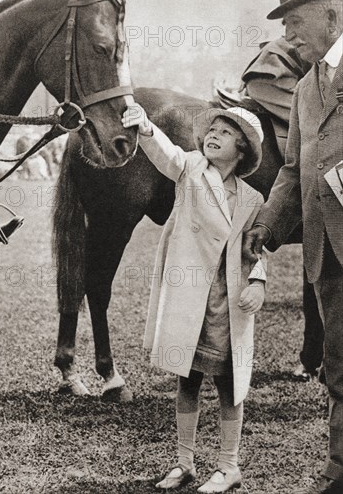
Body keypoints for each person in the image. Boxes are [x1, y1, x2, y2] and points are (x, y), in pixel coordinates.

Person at [123, 104, 267, 492]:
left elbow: (256, 249)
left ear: (243, 148)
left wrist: (257, 283)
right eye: (211, 130)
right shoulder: (190, 169)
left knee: (228, 384)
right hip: (190, 298)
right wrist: (145, 126)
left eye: (224, 132)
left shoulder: (252, 199)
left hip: (226, 302)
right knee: (186, 379)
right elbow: (164, 153)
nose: (213, 135)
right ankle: (184, 462)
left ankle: (229, 465)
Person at [243, 0, 343, 494]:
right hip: (327, 253)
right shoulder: (306, 88)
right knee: (338, 361)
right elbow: (290, 169)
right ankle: (337, 471)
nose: (287, 35)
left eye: (294, 21)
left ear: (331, 15)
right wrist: (266, 227)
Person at [241, 37, 323, 380]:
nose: (290, 28)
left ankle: (315, 356)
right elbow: (292, 172)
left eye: (295, 21)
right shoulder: (288, 58)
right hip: (274, 78)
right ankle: (315, 357)